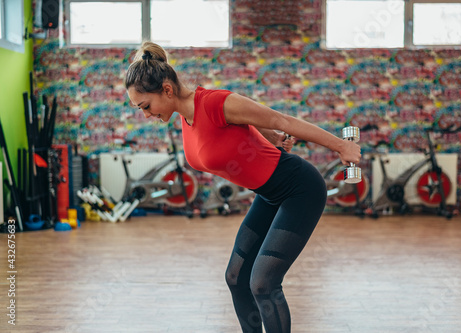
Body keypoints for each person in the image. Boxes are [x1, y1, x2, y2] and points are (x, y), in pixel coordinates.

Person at [125, 42, 361, 333]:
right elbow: (251, 126)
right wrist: (270, 137)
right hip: (269, 194)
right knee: (236, 277)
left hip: (300, 188)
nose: (146, 115)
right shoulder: (186, 118)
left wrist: (341, 146)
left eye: (145, 106)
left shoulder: (215, 103)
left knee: (263, 283)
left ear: (167, 90)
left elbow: (281, 118)